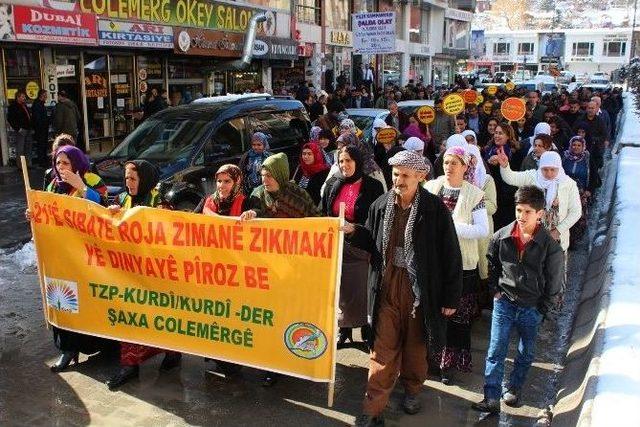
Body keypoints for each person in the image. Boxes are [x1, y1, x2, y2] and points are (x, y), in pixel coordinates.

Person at [344, 150, 463, 426]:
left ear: (420, 177)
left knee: (415, 349)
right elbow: (371, 239)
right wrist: (353, 231)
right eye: (396, 174)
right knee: (381, 350)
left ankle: (412, 390)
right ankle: (373, 408)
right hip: (387, 287)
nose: (399, 180)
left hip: (419, 292)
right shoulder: (381, 204)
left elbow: (450, 255)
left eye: (405, 175)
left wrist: (450, 296)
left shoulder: (434, 210)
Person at [472, 186, 564, 414]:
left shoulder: (550, 247)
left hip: (531, 307)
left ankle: (514, 387)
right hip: (504, 303)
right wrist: (495, 289)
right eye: (518, 210)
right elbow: (492, 262)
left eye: (527, 212)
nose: (521, 216)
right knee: (495, 351)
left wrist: (542, 309)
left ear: (540, 214)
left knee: (526, 352)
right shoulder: (502, 236)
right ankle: (491, 396)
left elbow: (554, 282)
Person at [26, 145, 114, 372]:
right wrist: (33, 214)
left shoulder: (90, 181)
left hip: (86, 259)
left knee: (88, 303)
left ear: (76, 164)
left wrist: (82, 188)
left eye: (65, 163)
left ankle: (102, 345)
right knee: (62, 301)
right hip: (60, 258)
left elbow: (104, 212)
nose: (61, 167)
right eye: (58, 163)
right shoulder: (54, 186)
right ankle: (67, 350)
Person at [241, 153, 319, 386]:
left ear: (282, 175)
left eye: (271, 176)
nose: (266, 180)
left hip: (293, 271)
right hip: (265, 270)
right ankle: (270, 364)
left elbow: (316, 223)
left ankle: (291, 359)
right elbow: (247, 227)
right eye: (263, 175)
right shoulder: (256, 196)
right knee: (267, 318)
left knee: (289, 316)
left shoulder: (299, 196)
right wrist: (252, 215)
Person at [106, 160, 182, 390]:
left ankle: (173, 353)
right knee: (130, 317)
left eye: (133, 179)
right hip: (129, 272)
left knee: (161, 317)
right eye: (126, 178)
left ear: (144, 180)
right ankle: (129, 365)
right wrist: (110, 215)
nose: (128, 183)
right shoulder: (121, 200)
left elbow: (171, 236)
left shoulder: (160, 202)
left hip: (156, 274)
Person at [424, 146, 488, 385]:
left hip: (462, 265)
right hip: (433, 262)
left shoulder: (475, 194)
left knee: (456, 316)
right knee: (433, 312)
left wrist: (451, 227)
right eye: (446, 162)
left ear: (465, 167)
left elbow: (483, 230)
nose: (448, 167)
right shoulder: (432, 187)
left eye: (454, 163)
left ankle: (448, 365)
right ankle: (431, 360)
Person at [321, 146, 384, 346]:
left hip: (361, 247)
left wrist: (355, 229)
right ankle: (344, 329)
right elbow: (324, 213)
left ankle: (366, 328)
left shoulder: (372, 186)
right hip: (337, 245)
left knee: (361, 290)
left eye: (348, 161)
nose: (344, 165)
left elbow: (376, 219)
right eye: (341, 161)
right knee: (341, 290)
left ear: (357, 162)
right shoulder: (333, 184)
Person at [200, 164, 247, 376]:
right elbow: (187, 221)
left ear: (236, 182)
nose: (222, 185)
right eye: (219, 181)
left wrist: (254, 215)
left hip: (238, 270)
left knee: (233, 315)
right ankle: (218, 355)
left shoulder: (245, 202)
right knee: (216, 314)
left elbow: (262, 221)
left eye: (227, 181)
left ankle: (234, 358)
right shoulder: (208, 202)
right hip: (213, 269)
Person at [496, 150, 582, 254]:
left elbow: (576, 212)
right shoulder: (533, 177)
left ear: (559, 168)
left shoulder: (569, 184)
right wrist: (505, 166)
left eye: (553, 170)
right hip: (532, 239)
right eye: (545, 170)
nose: (549, 173)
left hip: (557, 241)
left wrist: (558, 230)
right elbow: (511, 178)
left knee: (555, 269)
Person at [466, 144, 497, 312]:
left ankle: (482, 304)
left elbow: (492, 207)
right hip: (464, 232)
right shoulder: (459, 180)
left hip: (482, 233)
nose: (470, 161)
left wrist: (475, 200)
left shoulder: (486, 180)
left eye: (473, 157)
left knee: (482, 270)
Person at [562, 136, 596, 247]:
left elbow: (593, 177)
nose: (576, 147)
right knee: (564, 215)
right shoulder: (564, 157)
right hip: (565, 191)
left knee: (578, 217)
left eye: (579, 145)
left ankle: (574, 240)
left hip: (580, 193)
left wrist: (589, 190)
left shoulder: (587, 159)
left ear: (583, 147)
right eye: (574, 145)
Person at [485, 122, 519, 230]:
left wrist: (497, 160)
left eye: (500, 133)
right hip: (492, 190)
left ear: (508, 136)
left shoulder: (511, 150)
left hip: (505, 194)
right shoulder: (490, 148)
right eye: (496, 133)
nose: (497, 135)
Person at [8, 90, 32, 169]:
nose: (24, 98)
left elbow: (28, 116)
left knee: (28, 148)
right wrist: (18, 129)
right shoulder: (13, 106)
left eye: (24, 97)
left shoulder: (24, 105)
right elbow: (10, 119)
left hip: (28, 129)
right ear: (18, 97)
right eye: (23, 97)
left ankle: (28, 164)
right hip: (21, 130)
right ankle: (21, 166)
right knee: (20, 149)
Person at [31, 89, 50, 167]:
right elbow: (37, 119)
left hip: (43, 129)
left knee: (44, 145)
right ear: (41, 95)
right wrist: (42, 126)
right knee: (41, 145)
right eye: (45, 95)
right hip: (40, 130)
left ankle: (44, 160)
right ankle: (42, 162)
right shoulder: (37, 104)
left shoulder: (41, 104)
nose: (46, 96)